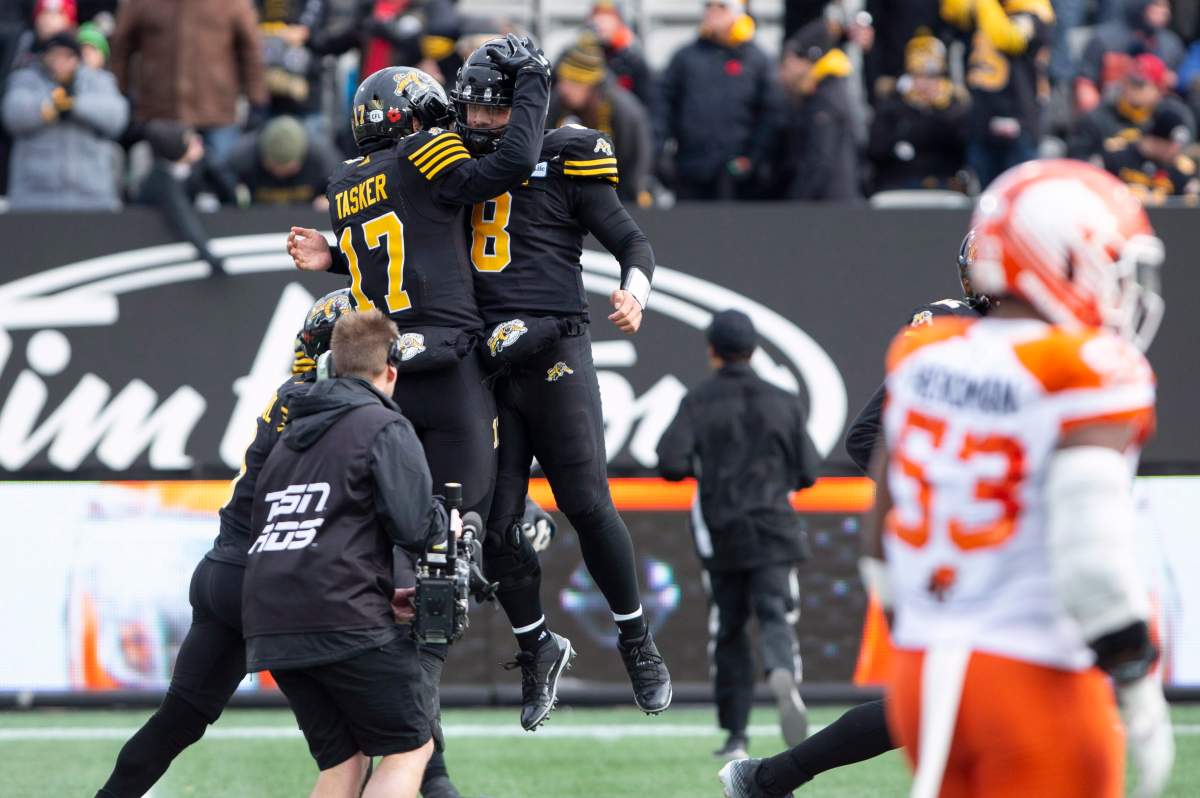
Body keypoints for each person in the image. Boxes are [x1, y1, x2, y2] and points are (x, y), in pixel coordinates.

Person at [718, 232, 991, 796]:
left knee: (957, 701)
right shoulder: (958, 333)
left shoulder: (1034, 345)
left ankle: (767, 778)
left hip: (995, 547)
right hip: (966, 548)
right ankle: (767, 778)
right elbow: (867, 437)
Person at [450, 43, 672, 730]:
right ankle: (536, 647)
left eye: (495, 107)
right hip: (488, 358)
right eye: (473, 105)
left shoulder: (566, 156)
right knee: (495, 522)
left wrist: (634, 292)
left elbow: (633, 243)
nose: (481, 120)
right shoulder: (448, 160)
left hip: (554, 350)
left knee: (585, 500)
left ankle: (636, 640)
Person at [93, 289, 348, 798]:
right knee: (361, 744)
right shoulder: (339, 407)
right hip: (274, 581)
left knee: (179, 719)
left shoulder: (292, 394)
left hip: (224, 568)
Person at [243, 309, 454, 798]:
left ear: (330, 366)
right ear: (391, 371)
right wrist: (448, 521)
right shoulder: (382, 424)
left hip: (269, 620)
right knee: (410, 748)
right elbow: (414, 527)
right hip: (340, 614)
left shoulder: (290, 435)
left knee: (345, 761)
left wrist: (378, 591)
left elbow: (276, 525)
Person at [656, 310, 819, 761]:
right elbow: (808, 471)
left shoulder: (698, 400)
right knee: (775, 615)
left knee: (728, 628)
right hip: (775, 528)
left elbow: (669, 462)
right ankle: (782, 671)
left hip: (722, 530)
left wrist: (708, 470)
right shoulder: (784, 400)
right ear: (753, 349)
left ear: (713, 351)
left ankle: (735, 736)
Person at [109, 0, 267, 163]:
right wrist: (119, 95)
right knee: (161, 176)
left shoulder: (232, 3)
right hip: (160, 113)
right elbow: (120, 47)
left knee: (221, 174)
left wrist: (257, 101)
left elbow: (251, 51)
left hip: (216, 112)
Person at [658, 0, 778, 200]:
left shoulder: (757, 59)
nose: (713, 12)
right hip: (691, 170)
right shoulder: (685, 57)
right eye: (708, 6)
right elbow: (662, 107)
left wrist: (753, 158)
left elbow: (771, 113)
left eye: (721, 6)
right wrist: (661, 154)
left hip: (739, 178)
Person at [2, 30, 127, 210]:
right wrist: (48, 108)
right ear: (44, 56)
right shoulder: (26, 79)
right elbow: (13, 114)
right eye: (54, 55)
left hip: (92, 198)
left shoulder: (98, 81)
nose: (60, 61)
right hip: (35, 199)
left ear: (77, 58)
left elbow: (117, 117)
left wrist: (75, 105)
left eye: (67, 56)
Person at [942, 0, 1055, 187]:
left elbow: (1009, 39)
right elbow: (951, 11)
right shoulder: (984, 9)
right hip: (981, 121)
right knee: (984, 197)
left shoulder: (1034, 10)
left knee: (1017, 193)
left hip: (1019, 120)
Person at [548, 38, 655, 206]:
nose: (563, 88)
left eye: (573, 82)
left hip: (618, 196)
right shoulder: (557, 104)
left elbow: (636, 163)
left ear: (589, 85)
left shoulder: (624, 111)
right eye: (562, 80)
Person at [867, 31, 969, 193]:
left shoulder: (954, 108)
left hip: (942, 186)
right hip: (899, 185)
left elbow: (960, 147)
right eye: (918, 75)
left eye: (932, 76)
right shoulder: (892, 106)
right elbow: (876, 150)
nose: (925, 84)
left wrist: (935, 111)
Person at [770, 21, 861, 201]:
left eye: (788, 62)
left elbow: (820, 160)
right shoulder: (827, 91)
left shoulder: (825, 98)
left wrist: (797, 203)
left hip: (829, 206)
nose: (784, 73)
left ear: (806, 61)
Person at [1076, 0, 1185, 116]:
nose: (1162, 11)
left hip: (1153, 115)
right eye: (1156, 5)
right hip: (1110, 110)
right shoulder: (1105, 39)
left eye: (1165, 7)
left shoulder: (1171, 45)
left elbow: (1177, 87)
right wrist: (1097, 116)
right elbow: (1085, 84)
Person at [1068, 53, 1168, 163]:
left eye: (1139, 84)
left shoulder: (1164, 123)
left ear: (1158, 90)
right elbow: (1076, 162)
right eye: (1130, 79)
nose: (1132, 87)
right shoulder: (1096, 119)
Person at [231, 114, 342, 208]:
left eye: (287, 169)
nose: (279, 174)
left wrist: (330, 199)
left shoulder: (323, 159)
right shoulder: (243, 157)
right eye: (274, 168)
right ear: (263, 158)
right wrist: (235, 191)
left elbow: (342, 185)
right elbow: (225, 178)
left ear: (301, 160)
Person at [1103, 97, 1200, 203]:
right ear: (1155, 140)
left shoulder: (1179, 168)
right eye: (1170, 144)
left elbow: (1188, 203)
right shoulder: (1117, 158)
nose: (1175, 150)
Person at [587, 1, 658, 116]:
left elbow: (649, 103)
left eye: (609, 17)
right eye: (598, 16)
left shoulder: (634, 60)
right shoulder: (578, 56)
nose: (602, 22)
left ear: (619, 21)